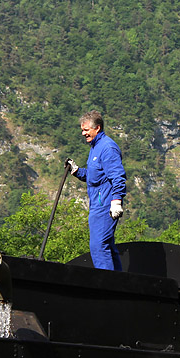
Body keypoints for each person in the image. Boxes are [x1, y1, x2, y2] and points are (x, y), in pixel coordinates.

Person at [66, 110, 127, 271]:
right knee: (107, 246)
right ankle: (120, 283)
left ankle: (107, 286)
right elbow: (96, 176)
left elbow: (117, 176)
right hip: (97, 204)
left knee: (99, 246)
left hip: (105, 205)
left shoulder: (107, 148)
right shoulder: (95, 147)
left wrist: (116, 201)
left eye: (86, 130)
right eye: (82, 130)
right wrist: (78, 171)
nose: (83, 133)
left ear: (97, 128)